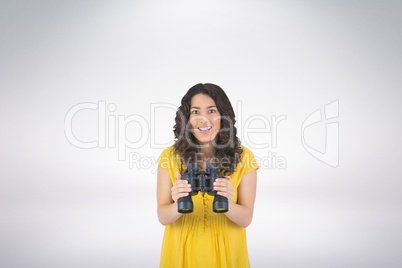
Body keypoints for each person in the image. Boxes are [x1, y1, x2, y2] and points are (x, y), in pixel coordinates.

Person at [157, 83, 259, 267]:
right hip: (181, 254)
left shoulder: (244, 158)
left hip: (227, 254)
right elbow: (163, 217)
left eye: (212, 111)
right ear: (186, 118)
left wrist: (227, 203)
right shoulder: (169, 157)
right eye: (195, 112)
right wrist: (178, 201)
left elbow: (246, 219)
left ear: (224, 116)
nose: (204, 119)